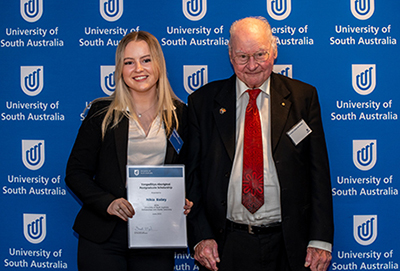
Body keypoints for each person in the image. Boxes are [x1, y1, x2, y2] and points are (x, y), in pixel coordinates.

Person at [186, 17, 334, 271]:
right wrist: (200, 236)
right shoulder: (202, 102)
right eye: (242, 56)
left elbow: (318, 172)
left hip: (290, 244)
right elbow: (193, 177)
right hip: (225, 245)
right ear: (230, 55)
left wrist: (320, 238)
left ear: (274, 51)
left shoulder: (303, 98)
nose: (252, 65)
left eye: (260, 54)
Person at [65, 31, 192, 271]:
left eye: (146, 60)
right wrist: (108, 203)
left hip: (156, 235)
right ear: (120, 70)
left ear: (158, 64)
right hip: (104, 234)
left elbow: (191, 170)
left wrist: (185, 198)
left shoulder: (181, 115)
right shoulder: (101, 114)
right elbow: (75, 173)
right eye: (129, 62)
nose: (138, 69)